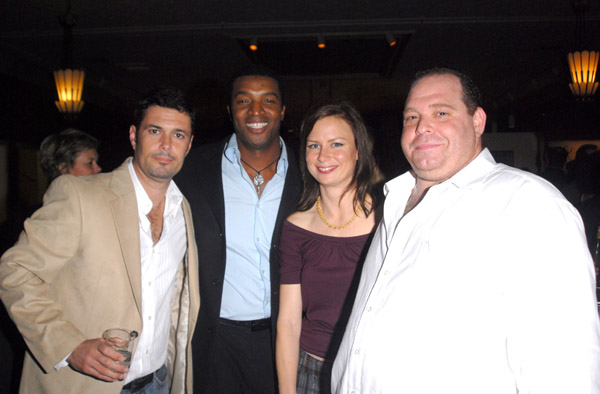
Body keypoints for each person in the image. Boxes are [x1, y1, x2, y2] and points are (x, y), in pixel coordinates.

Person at [332, 68, 600, 394]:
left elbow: (564, 371)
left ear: (478, 121)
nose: (422, 126)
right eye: (411, 117)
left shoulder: (527, 204)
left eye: (441, 112)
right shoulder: (394, 200)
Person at [0, 87, 199, 394]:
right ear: (134, 136)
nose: (165, 145)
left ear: (188, 146)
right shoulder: (80, 195)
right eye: (155, 130)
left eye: (178, 135)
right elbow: (16, 272)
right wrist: (69, 346)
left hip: (157, 382)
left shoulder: (185, 211)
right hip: (85, 385)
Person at [175, 65, 301, 394]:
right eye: (244, 100)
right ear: (230, 110)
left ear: (283, 111)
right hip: (215, 343)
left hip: (286, 339)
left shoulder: (311, 174)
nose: (256, 111)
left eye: (268, 101)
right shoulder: (191, 170)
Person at [276, 101, 378, 394]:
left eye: (336, 144)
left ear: (358, 150)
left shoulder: (389, 219)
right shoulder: (295, 227)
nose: (323, 156)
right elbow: (289, 321)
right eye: (313, 145)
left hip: (368, 371)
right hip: (311, 371)